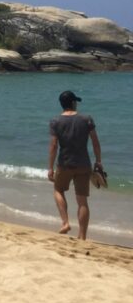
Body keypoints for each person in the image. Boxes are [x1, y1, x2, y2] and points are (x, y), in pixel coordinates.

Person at [48, 90, 103, 240]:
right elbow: (95, 143)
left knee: (58, 190)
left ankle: (65, 222)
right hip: (83, 165)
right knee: (82, 200)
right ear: (73, 103)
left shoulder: (55, 121)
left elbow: (53, 146)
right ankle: (82, 237)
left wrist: (50, 168)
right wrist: (98, 162)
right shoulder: (86, 119)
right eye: (76, 101)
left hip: (64, 164)